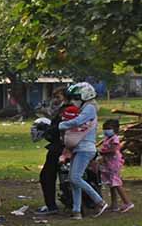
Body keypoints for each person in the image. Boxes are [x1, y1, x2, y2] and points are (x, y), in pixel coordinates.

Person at [59, 82, 107, 219]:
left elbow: (78, 121)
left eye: (76, 98)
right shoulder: (84, 108)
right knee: (73, 180)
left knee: (75, 178)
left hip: (85, 149)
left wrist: (61, 125)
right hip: (79, 148)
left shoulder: (90, 108)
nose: (73, 101)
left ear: (85, 97)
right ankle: (77, 211)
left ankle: (99, 202)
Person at [35, 88, 79, 215]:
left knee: (47, 176)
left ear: (65, 97)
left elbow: (62, 126)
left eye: (58, 97)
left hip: (60, 147)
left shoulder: (68, 110)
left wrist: (48, 129)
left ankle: (51, 206)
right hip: (66, 145)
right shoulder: (67, 109)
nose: (55, 99)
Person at [99, 119, 133, 212]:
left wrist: (103, 152)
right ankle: (114, 204)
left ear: (115, 129)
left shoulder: (115, 139)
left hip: (114, 163)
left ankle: (127, 202)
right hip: (108, 163)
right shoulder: (107, 138)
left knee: (116, 183)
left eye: (108, 128)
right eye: (105, 128)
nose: (106, 130)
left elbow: (114, 149)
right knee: (111, 184)